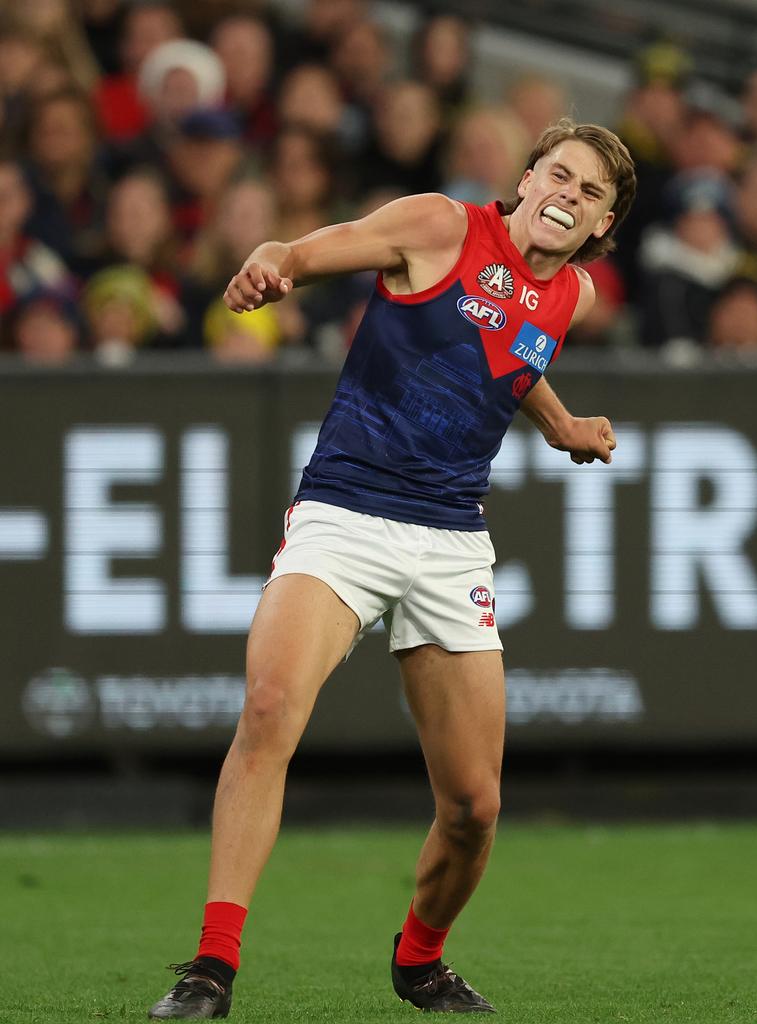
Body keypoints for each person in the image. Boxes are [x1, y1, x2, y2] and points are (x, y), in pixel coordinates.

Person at [147, 117, 636, 1019]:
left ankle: (420, 963)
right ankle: (211, 970)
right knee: (268, 707)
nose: (569, 196)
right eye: (559, 175)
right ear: (526, 181)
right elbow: (317, 247)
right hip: (346, 512)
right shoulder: (441, 225)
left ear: (602, 228)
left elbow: (509, 360)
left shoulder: (571, 297)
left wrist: (561, 425)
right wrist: (275, 259)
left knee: (474, 810)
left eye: (591, 193)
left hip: (452, 541)